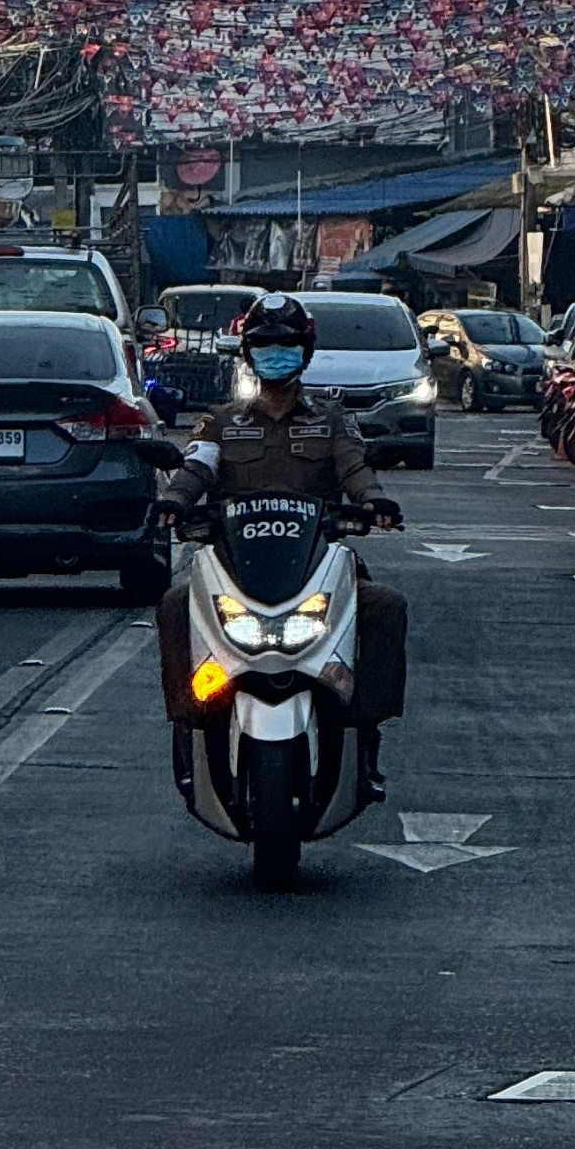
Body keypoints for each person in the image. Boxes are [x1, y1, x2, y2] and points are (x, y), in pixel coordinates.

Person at [156, 292, 407, 800]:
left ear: (306, 353)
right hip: (235, 564)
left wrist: (375, 502)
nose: (276, 355)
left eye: (287, 346)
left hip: (318, 560)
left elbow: (355, 468)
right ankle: (188, 726)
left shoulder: (332, 419)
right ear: (248, 353)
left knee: (384, 607)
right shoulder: (222, 420)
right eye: (265, 345)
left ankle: (365, 733)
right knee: (174, 603)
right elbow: (195, 469)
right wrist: (175, 503)